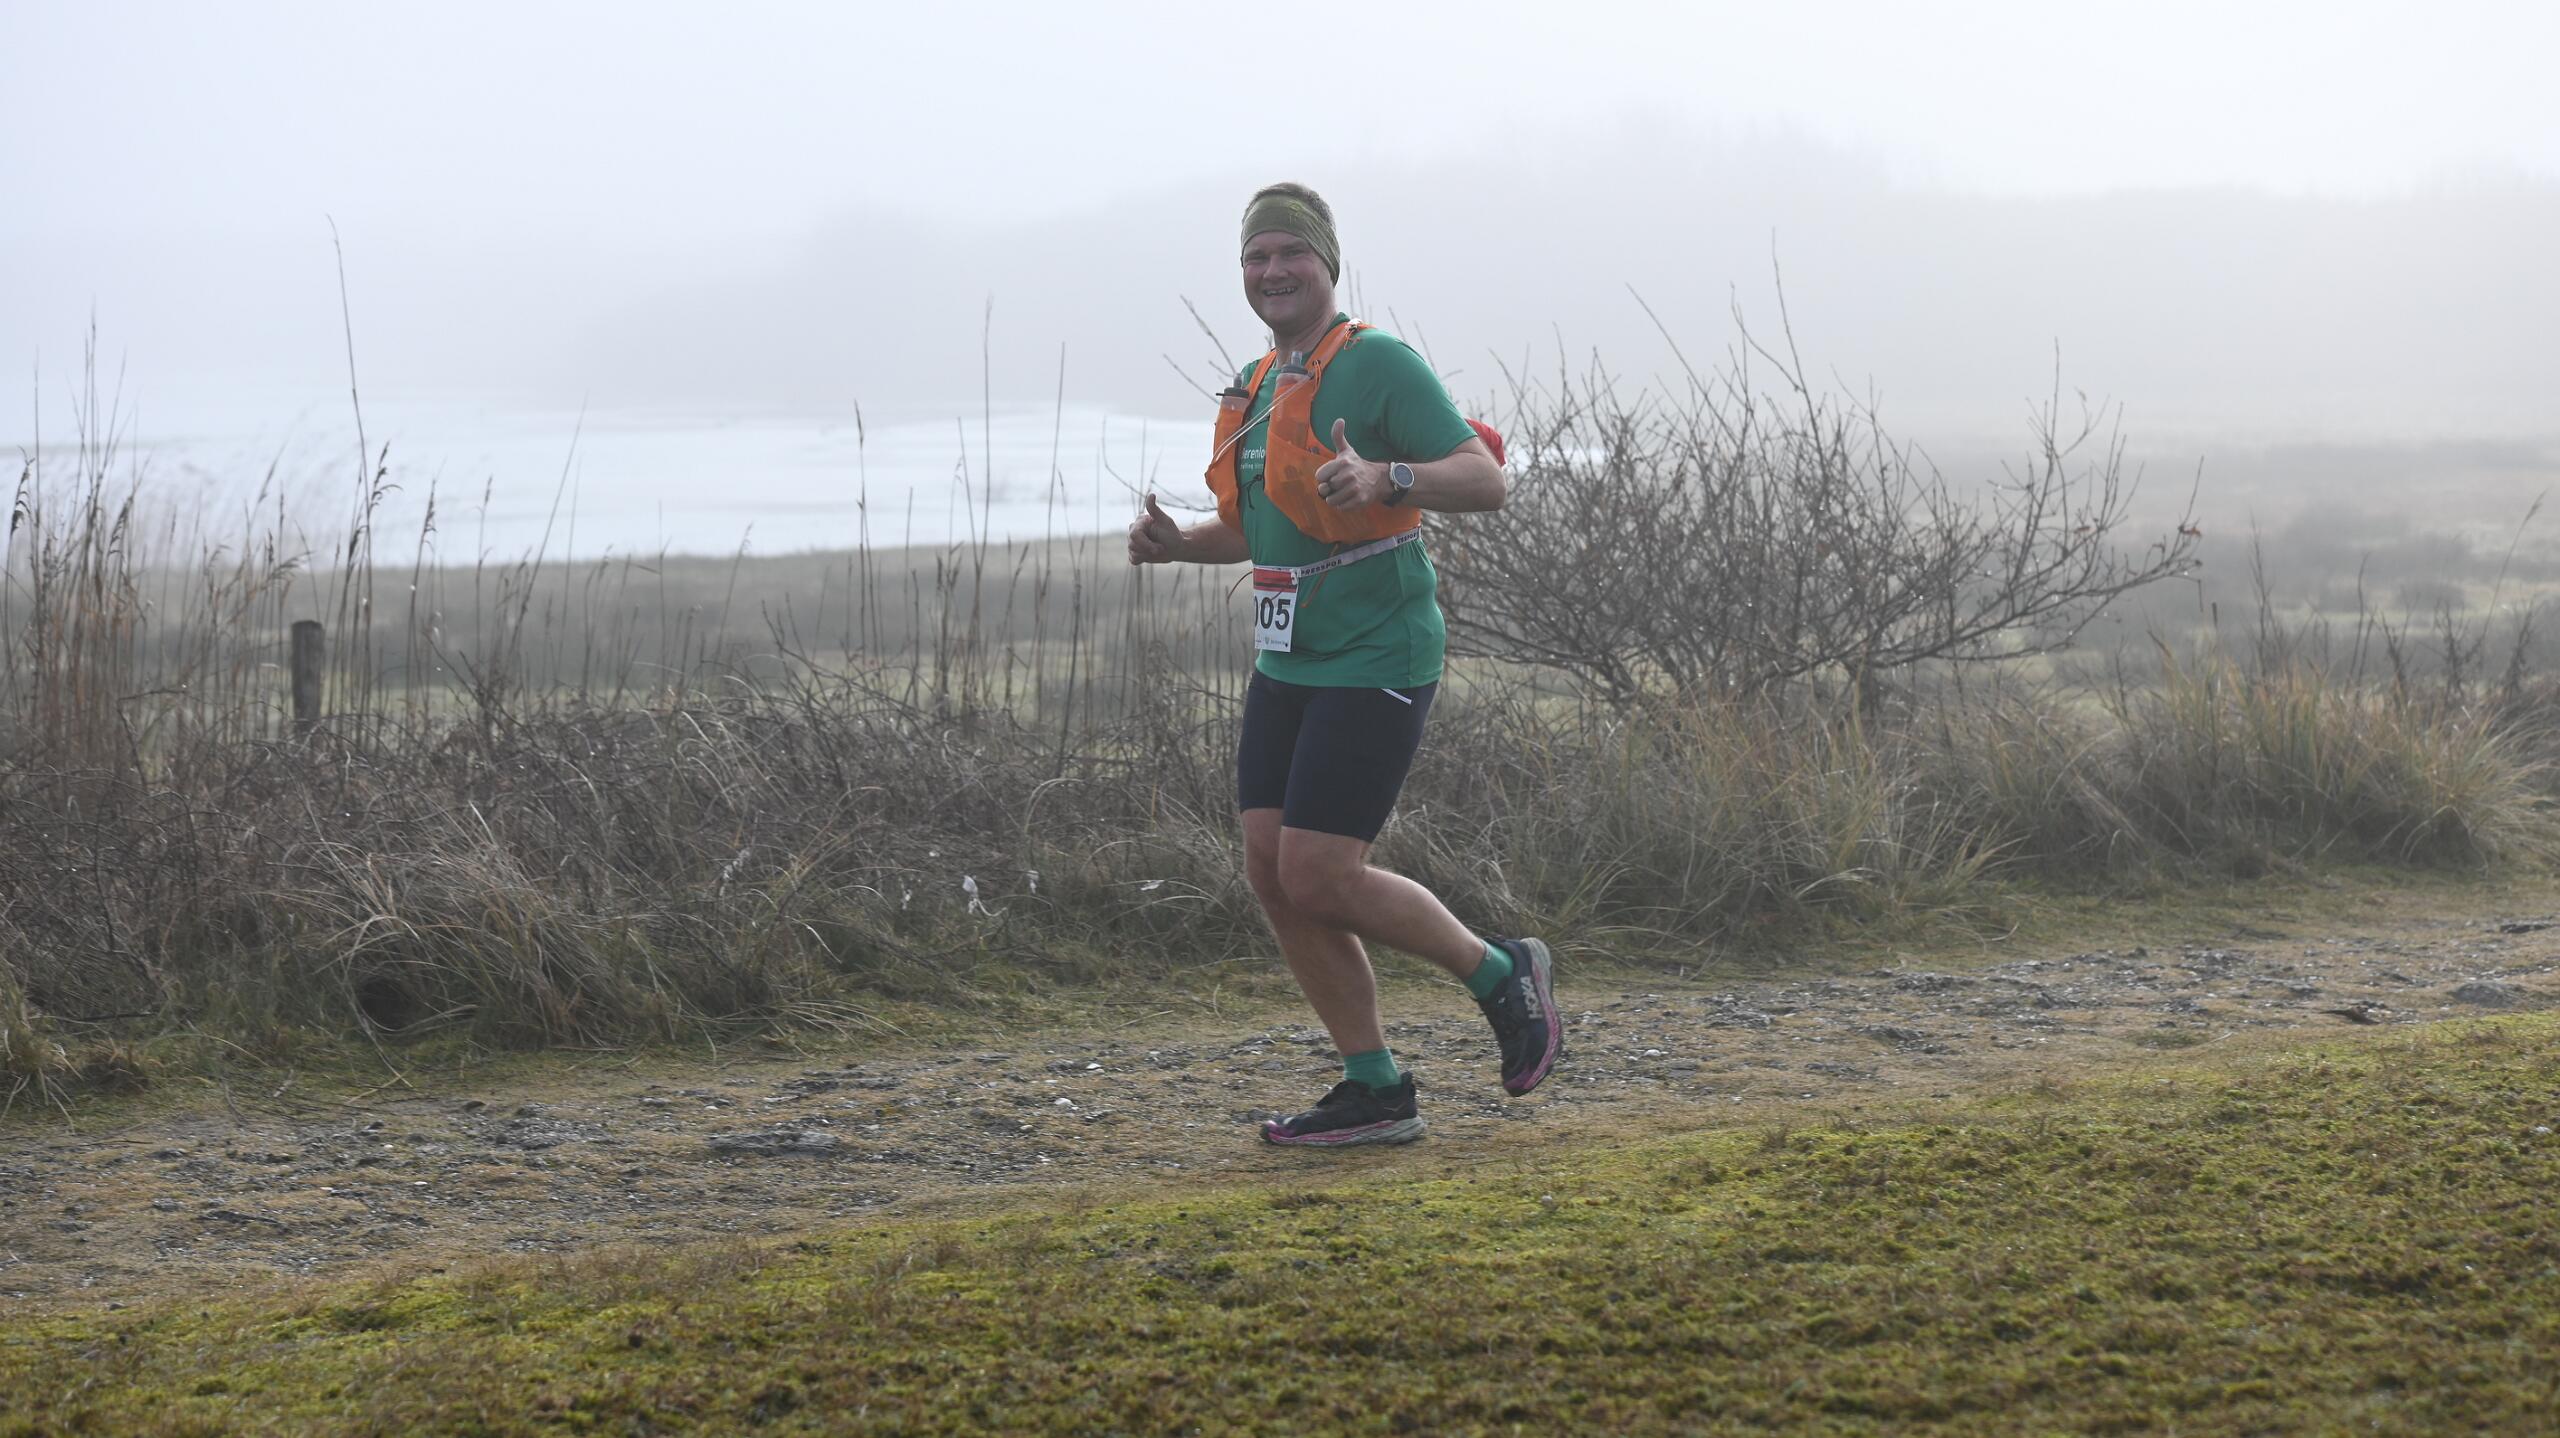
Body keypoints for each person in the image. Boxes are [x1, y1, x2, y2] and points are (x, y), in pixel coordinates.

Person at [1127, 181, 1561, 1146]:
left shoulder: (1378, 365)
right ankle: (1375, 1087)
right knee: (1271, 871)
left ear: (1328, 264)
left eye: (1292, 253)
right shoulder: (1255, 385)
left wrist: (1388, 476)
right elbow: (1258, 532)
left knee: (1320, 872)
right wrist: (1178, 544)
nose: (1273, 270)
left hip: (1378, 650)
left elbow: (1485, 479)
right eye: (1256, 257)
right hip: (1290, 656)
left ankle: (1502, 974)